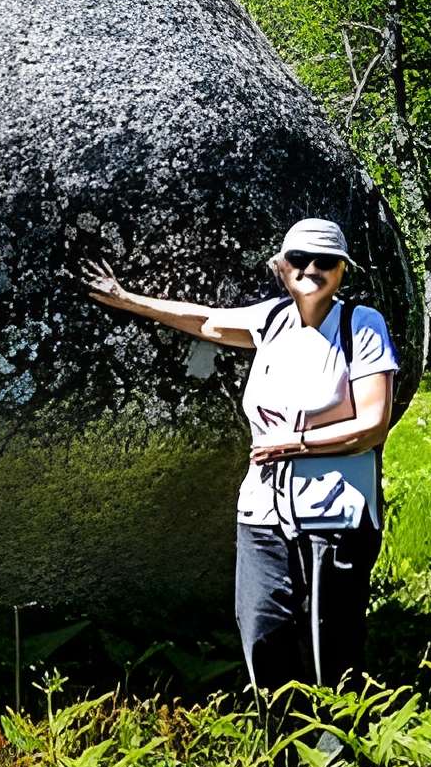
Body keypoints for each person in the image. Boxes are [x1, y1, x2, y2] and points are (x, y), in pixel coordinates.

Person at [82, 219, 401, 695]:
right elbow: (205, 320)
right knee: (263, 629)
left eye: (325, 262)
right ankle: (283, 751)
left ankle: (337, 760)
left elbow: (372, 423)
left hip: (336, 512)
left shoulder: (362, 325)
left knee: (329, 643)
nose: (310, 269)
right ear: (280, 266)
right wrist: (126, 299)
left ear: (342, 271)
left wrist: (294, 444)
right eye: (299, 259)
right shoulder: (271, 320)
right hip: (262, 510)